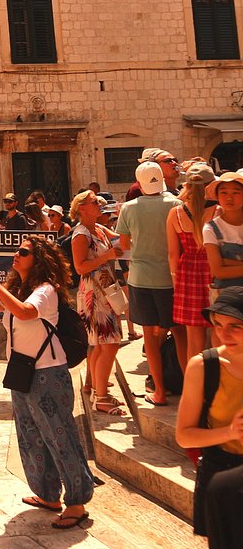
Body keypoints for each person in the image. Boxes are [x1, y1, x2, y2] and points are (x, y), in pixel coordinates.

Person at [0, 236, 94, 530]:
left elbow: (26, 312)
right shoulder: (15, 290)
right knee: (30, 435)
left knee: (59, 434)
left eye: (23, 252)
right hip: (23, 372)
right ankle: (48, 494)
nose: (16, 255)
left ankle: (76, 502)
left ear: (38, 260)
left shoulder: (46, 290)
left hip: (48, 374)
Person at [175, 287, 243, 549]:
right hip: (221, 472)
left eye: (235, 326)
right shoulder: (203, 366)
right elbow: (184, 436)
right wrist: (230, 431)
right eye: (217, 325)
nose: (223, 335)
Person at [118, 161, 183, 405]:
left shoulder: (129, 207)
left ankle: (158, 390)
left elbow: (124, 245)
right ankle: (190, 388)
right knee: (179, 333)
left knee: (149, 336)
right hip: (171, 277)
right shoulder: (176, 204)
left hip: (141, 278)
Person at [70, 190, 126, 415]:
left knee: (100, 344)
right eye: (94, 202)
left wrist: (125, 215)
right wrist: (107, 256)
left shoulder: (98, 229)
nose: (99, 204)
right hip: (95, 293)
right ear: (82, 208)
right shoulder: (81, 234)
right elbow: (80, 267)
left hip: (104, 291)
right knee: (109, 344)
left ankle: (97, 389)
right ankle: (101, 397)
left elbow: (120, 239)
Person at [169, 163, 219, 369]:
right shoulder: (219, 211)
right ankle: (219, 386)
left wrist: (175, 283)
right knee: (219, 332)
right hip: (215, 270)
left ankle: (195, 389)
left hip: (187, 274)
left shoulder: (176, 213)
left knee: (193, 340)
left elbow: (173, 254)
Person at [204, 171, 243, 293]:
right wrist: (221, 265)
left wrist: (227, 262)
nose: (229, 198)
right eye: (223, 192)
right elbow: (218, 271)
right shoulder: (211, 229)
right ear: (217, 196)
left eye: (235, 192)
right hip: (228, 298)